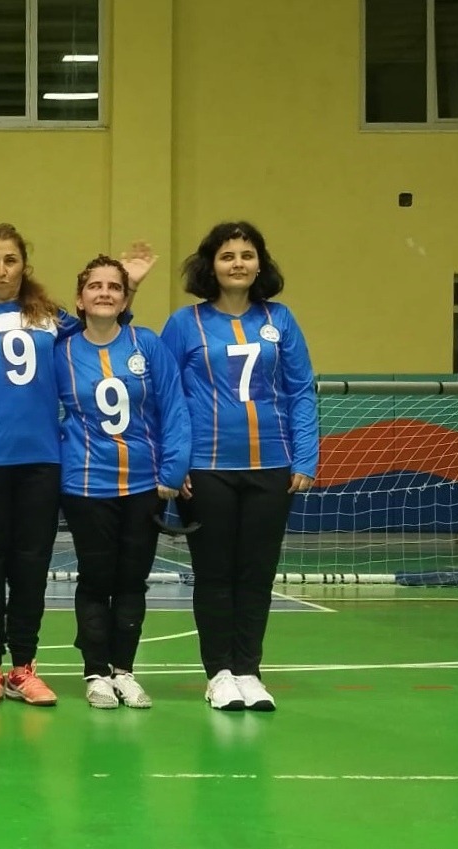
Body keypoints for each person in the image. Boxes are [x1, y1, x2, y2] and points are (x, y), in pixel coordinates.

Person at [0, 224, 155, 708]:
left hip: (42, 464)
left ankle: (23, 667)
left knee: (30, 568)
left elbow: (103, 324)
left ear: (25, 267)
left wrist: (134, 283)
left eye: (11, 260)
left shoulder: (50, 318)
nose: (2, 269)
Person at [160, 221, 318, 712]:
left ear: (260, 263)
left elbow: (300, 391)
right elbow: (165, 398)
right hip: (205, 470)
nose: (238, 263)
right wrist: (174, 463)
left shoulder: (281, 319)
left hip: (272, 467)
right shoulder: (185, 324)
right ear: (211, 265)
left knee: (256, 573)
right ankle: (220, 673)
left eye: (247, 255)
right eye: (228, 255)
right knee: (214, 573)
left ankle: (249, 669)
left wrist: (305, 456)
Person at [56, 255, 189, 710]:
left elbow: (173, 408)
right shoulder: (62, 351)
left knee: (132, 582)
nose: (105, 293)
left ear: (125, 297)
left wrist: (171, 472)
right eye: (95, 286)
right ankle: (95, 672)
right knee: (96, 580)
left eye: (114, 286)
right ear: (80, 298)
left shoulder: (146, 345)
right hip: (85, 485)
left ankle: (124, 671)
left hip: (142, 486)